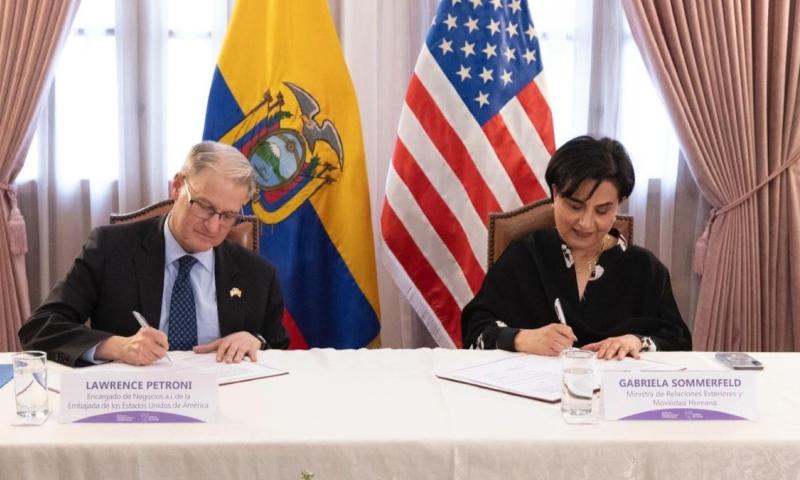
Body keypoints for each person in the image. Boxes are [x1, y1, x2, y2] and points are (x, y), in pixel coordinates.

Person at [19, 141, 289, 366]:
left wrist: (257, 341)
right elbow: (41, 328)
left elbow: (277, 346)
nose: (213, 226)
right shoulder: (111, 249)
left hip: (227, 408)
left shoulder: (258, 274)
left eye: (228, 215)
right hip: (134, 406)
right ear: (177, 186)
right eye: (204, 206)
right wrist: (117, 346)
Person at [461, 135, 691, 359]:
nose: (586, 223)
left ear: (618, 204)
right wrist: (522, 339)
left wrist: (637, 341)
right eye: (575, 206)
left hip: (614, 394)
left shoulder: (645, 269)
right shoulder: (525, 256)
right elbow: (474, 331)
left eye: (602, 211)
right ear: (555, 194)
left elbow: (680, 343)